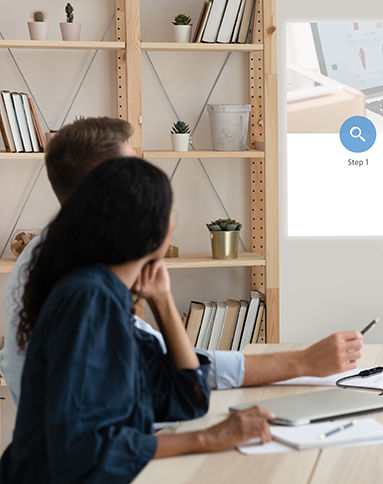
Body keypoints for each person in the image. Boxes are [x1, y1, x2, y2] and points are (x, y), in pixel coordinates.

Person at [0, 117, 364, 404]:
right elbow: (177, 375)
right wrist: (301, 363)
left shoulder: (47, 255)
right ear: (111, 192)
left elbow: (164, 368)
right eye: (135, 169)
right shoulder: (87, 287)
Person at [1, 158, 278, 482]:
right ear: (151, 228)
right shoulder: (89, 299)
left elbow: (189, 400)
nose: (174, 223)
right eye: (171, 214)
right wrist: (206, 438)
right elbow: (81, 448)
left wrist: (162, 300)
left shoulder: (110, 294)